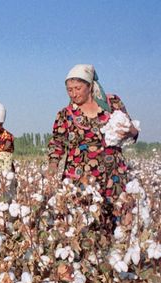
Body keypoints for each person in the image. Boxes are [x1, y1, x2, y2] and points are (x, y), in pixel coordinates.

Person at [46, 64, 139, 225]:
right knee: (82, 222)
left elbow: (132, 131)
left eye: (78, 88)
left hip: (113, 177)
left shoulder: (112, 103)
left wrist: (130, 130)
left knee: (118, 221)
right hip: (80, 178)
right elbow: (57, 143)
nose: (73, 94)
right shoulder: (65, 114)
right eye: (69, 90)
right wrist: (53, 166)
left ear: (89, 86)